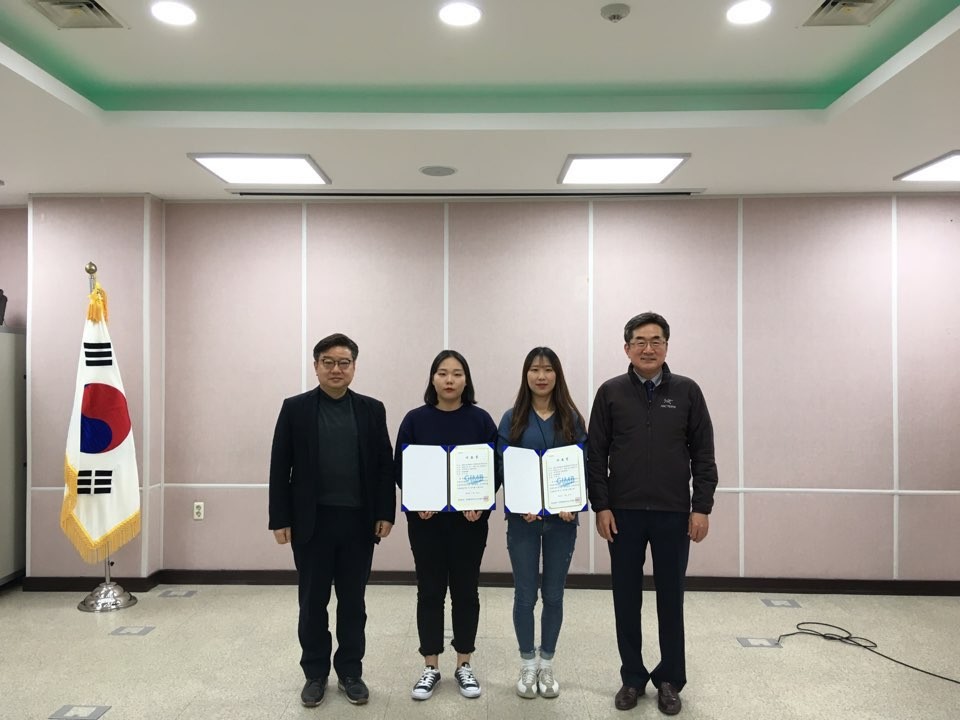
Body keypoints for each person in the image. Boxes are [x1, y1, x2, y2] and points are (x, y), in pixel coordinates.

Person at [587, 312, 718, 716]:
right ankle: (631, 677)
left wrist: (701, 507)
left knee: (670, 599)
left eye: (656, 341)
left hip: (673, 513)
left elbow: (704, 454)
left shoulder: (688, 392)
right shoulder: (610, 393)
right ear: (626, 348)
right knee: (626, 599)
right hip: (623, 513)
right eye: (640, 341)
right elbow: (596, 456)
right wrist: (601, 505)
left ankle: (669, 680)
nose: (648, 348)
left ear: (666, 346)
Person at [268, 333, 396, 708]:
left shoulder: (372, 409)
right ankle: (315, 674)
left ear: (354, 367)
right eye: (328, 362)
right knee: (313, 603)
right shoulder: (295, 409)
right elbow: (280, 466)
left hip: (358, 524)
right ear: (316, 366)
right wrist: (280, 518)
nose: (336, 369)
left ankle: (351, 672)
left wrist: (385, 512)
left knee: (353, 603)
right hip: (312, 525)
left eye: (343, 362)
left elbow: (384, 466)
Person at [395, 350, 498, 701]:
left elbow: (495, 468)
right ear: (432, 379)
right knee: (430, 591)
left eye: (456, 373)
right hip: (426, 523)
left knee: (466, 591)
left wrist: (480, 503)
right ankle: (431, 666)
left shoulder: (481, 420)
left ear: (466, 380)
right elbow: (401, 468)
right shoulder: (414, 420)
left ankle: (464, 663)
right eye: (442, 373)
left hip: (469, 523)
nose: (449, 380)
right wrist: (418, 500)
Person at [497, 347, 586, 699]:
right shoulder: (512, 418)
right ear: (526, 375)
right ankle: (527, 663)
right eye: (534, 369)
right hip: (524, 522)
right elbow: (502, 464)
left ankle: (547, 663)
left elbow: (583, 463)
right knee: (525, 595)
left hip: (562, 523)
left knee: (553, 595)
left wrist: (571, 503)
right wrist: (522, 502)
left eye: (548, 369)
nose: (541, 376)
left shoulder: (571, 418)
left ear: (557, 375)